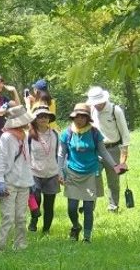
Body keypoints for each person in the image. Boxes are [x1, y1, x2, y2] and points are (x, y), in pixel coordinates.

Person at [58, 103, 127, 243]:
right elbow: (61, 154)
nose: (79, 119)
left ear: (87, 118)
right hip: (72, 173)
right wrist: (59, 171)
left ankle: (87, 237)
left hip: (91, 173)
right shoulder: (67, 133)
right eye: (77, 116)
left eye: (83, 117)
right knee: (72, 208)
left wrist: (115, 165)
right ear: (73, 117)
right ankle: (76, 227)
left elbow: (103, 151)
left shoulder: (95, 133)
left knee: (88, 209)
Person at [0, 105, 34, 251]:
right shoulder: (6, 137)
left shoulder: (25, 135)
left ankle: (20, 245)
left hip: (24, 182)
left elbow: (27, 159)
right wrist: (0, 181)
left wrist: (30, 178)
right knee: (8, 218)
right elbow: (1, 160)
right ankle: (0, 248)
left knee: (21, 218)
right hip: (9, 182)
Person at [86, 86, 130, 212]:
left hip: (113, 149)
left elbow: (125, 133)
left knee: (114, 180)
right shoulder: (91, 110)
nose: (97, 105)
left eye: (98, 102)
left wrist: (124, 155)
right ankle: (90, 207)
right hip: (96, 150)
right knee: (92, 178)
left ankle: (113, 206)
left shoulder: (115, 110)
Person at [27, 106, 60, 234]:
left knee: (49, 204)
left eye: (46, 116)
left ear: (49, 119)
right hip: (34, 172)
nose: (43, 119)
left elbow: (60, 154)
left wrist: (61, 172)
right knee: (36, 198)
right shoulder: (29, 135)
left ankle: (46, 230)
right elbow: (26, 154)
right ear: (35, 119)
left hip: (52, 172)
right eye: (40, 116)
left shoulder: (55, 134)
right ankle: (34, 219)